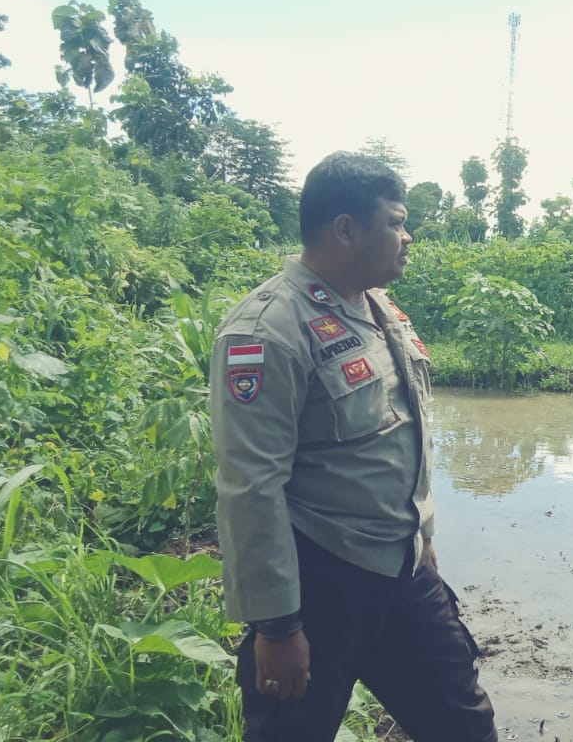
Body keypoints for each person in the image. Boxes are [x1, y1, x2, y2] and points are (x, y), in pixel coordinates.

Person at [210, 152, 496, 742]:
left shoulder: (377, 307)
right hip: (320, 583)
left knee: (465, 726)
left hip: (402, 571)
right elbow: (251, 486)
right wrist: (278, 626)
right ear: (346, 230)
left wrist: (424, 535)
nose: (407, 237)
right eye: (395, 222)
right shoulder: (267, 331)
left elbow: (401, 431)